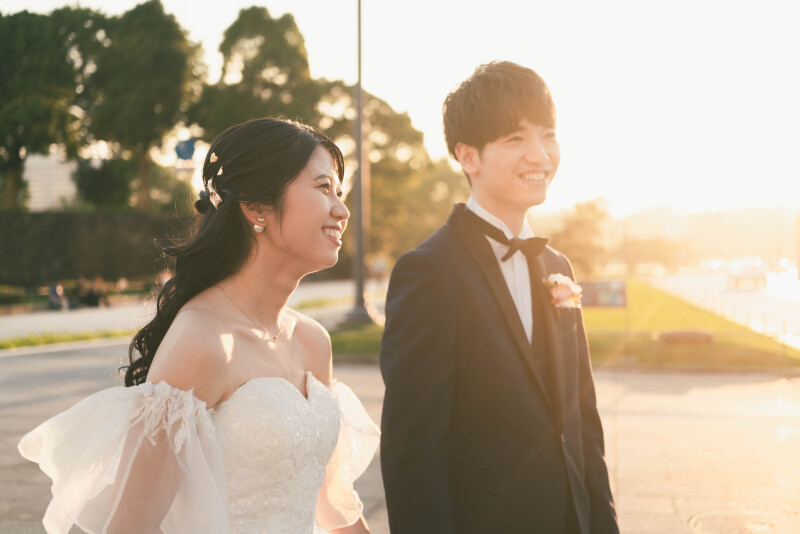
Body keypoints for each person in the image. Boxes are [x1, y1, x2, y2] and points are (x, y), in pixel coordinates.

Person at [18, 117, 379, 534]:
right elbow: (130, 526)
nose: (342, 209)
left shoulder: (314, 341)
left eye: (340, 192)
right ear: (256, 206)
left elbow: (331, 503)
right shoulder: (201, 342)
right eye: (322, 188)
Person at [380, 61, 618, 534]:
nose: (540, 155)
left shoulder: (558, 268)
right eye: (516, 140)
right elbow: (413, 453)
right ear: (468, 156)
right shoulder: (428, 272)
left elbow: (583, 422)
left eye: (548, 135)